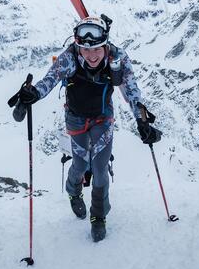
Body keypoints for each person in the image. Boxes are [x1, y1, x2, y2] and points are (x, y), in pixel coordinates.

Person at [10, 16, 161, 242]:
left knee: (100, 168)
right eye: (85, 49)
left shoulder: (117, 58)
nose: (91, 55)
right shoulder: (70, 58)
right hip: (76, 119)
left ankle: (98, 216)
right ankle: (73, 191)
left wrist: (141, 120)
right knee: (80, 163)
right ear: (78, 46)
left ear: (105, 44)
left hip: (103, 118)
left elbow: (131, 91)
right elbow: (49, 81)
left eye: (97, 49)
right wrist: (33, 94)